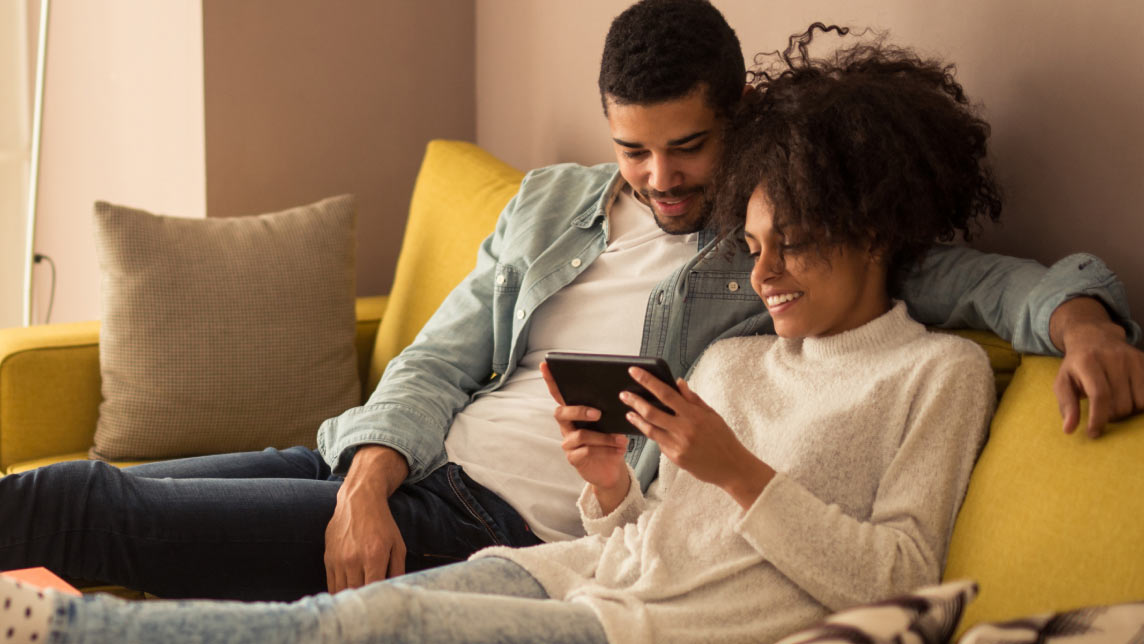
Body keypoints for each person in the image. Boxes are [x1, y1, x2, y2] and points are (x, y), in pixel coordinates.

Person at [0, 0, 1140, 602]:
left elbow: (968, 277)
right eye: (631, 151)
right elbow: (441, 357)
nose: (657, 178)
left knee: (100, 520)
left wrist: (1081, 313)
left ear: (735, 114)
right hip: (389, 467)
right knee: (85, 493)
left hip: (491, 523)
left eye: (685, 146)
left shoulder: (780, 243)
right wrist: (367, 477)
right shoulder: (553, 206)